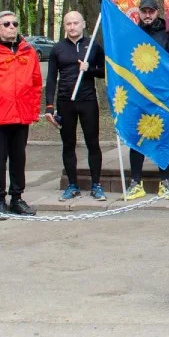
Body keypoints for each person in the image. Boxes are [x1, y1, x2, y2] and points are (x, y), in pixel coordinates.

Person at [0, 11, 42, 219]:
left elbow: (36, 84)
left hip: (21, 116)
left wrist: (33, 111)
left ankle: (17, 198)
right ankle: (0, 200)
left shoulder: (28, 51)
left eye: (14, 23)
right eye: (6, 24)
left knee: (19, 159)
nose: (11, 27)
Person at [124, 0, 169, 201]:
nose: (147, 15)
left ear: (157, 12)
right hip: (137, 95)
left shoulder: (167, 34)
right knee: (136, 138)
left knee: (163, 137)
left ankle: (165, 182)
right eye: (144, 11)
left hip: (161, 95)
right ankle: (136, 182)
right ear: (139, 13)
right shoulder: (132, 33)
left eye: (151, 11)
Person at [44, 11, 106, 202]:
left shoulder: (93, 46)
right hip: (65, 102)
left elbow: (104, 72)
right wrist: (49, 105)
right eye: (68, 24)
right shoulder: (58, 49)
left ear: (83, 24)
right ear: (64, 26)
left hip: (88, 101)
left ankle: (96, 185)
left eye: (76, 23)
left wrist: (90, 69)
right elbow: (51, 78)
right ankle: (72, 185)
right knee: (68, 144)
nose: (72, 27)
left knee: (92, 143)